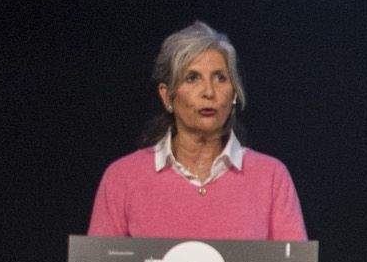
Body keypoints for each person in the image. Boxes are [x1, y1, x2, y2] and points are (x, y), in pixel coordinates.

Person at [88, 22, 307, 240]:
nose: (209, 92)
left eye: (220, 78)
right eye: (192, 78)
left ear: (233, 94)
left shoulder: (271, 178)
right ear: (167, 96)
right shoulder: (123, 178)